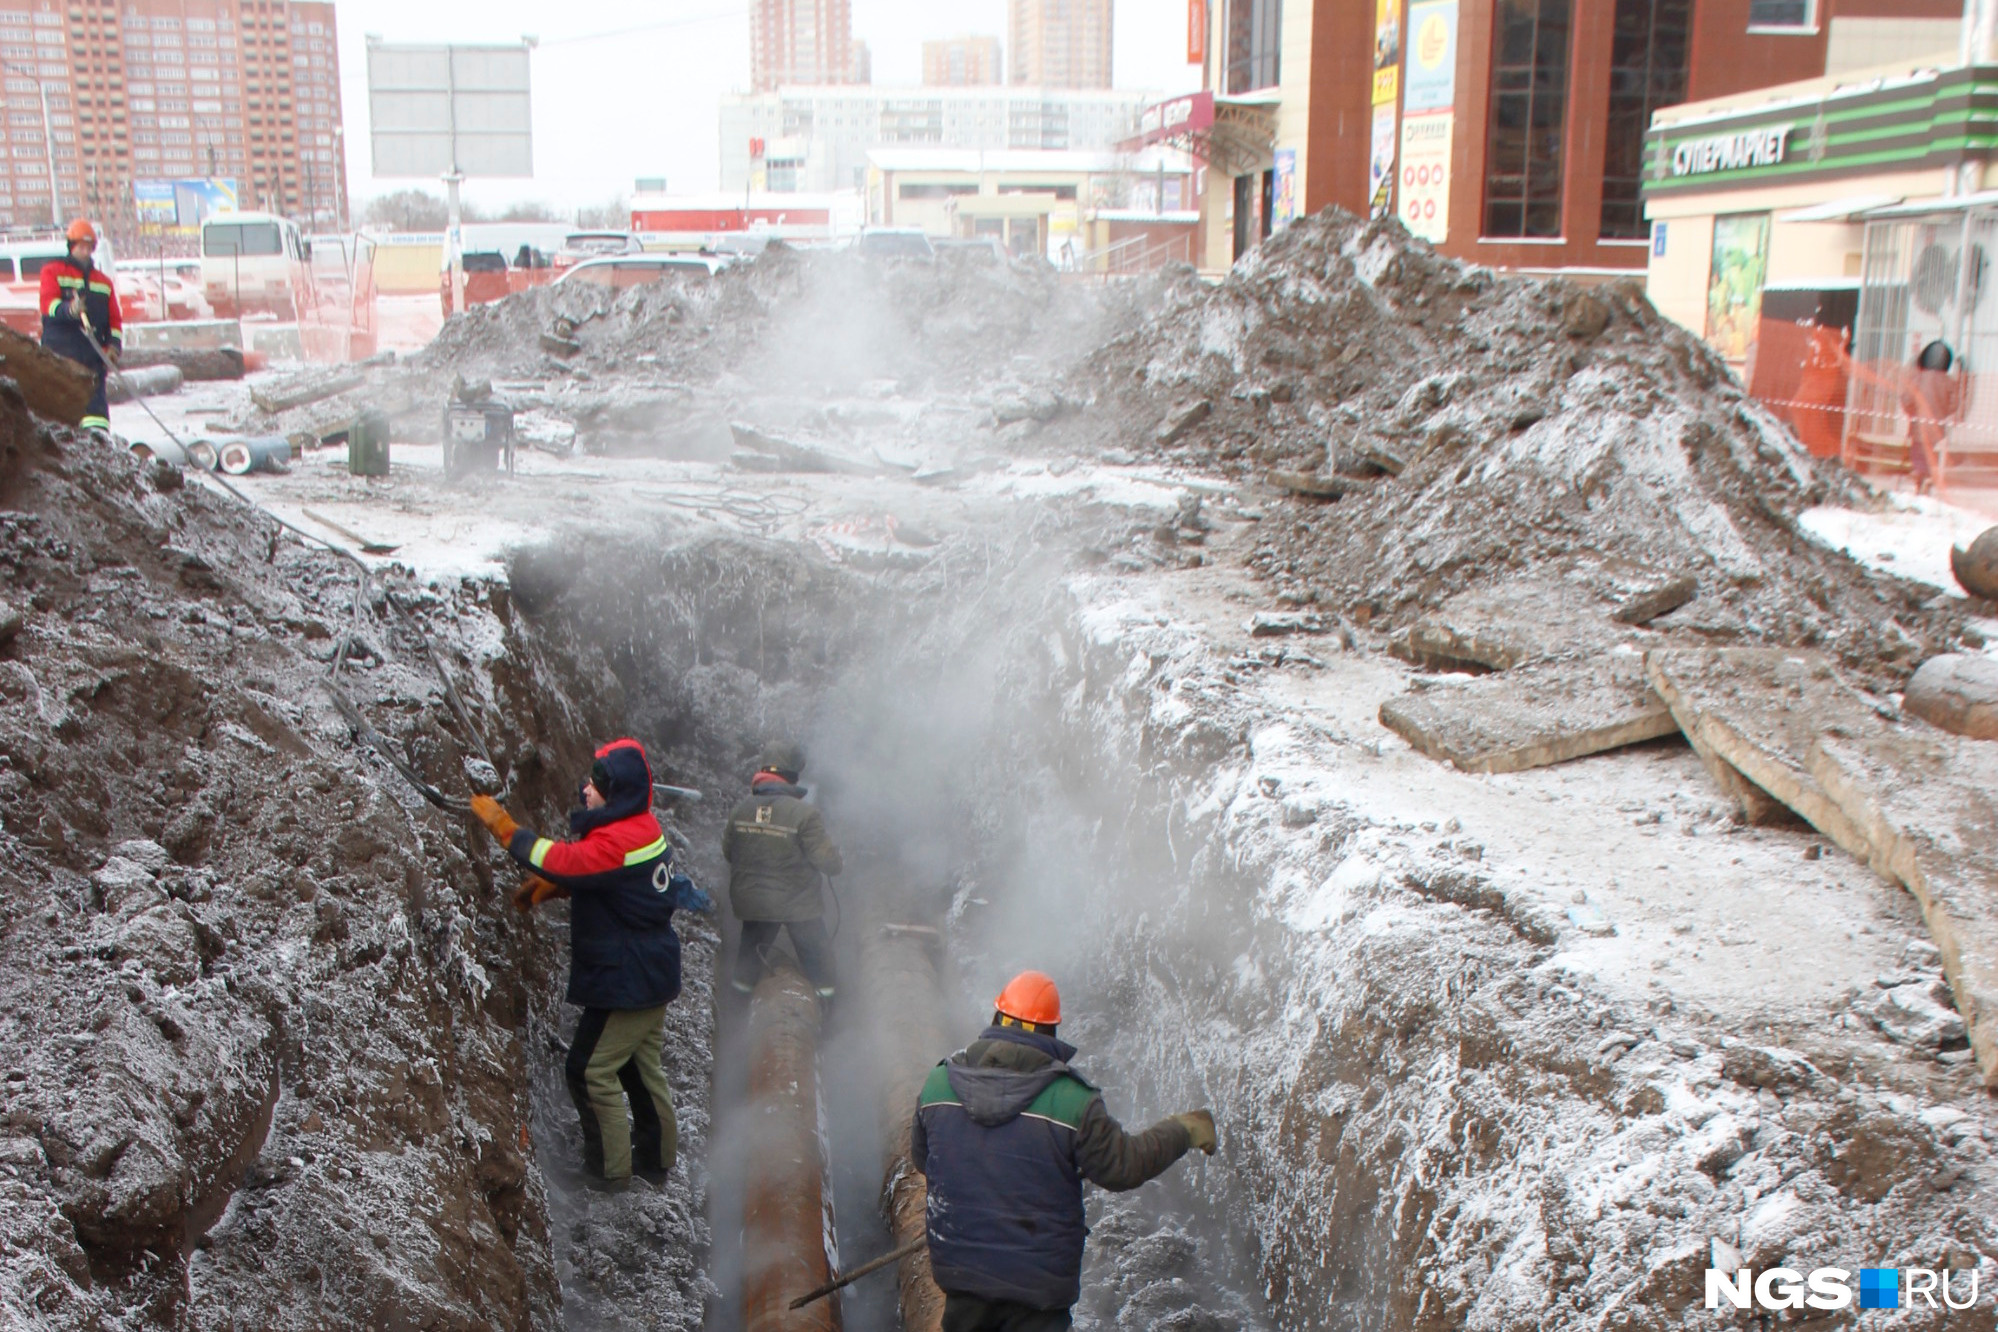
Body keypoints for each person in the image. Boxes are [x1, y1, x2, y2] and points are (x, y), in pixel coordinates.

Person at [910, 971, 1218, 1332]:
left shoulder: (937, 1085)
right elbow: (1124, 1166)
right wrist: (1183, 1129)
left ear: (997, 1021)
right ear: (1050, 1033)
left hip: (962, 1276)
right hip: (1037, 1290)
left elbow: (924, 1159)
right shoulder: (1074, 1102)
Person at [471, 738, 686, 1190]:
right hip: (651, 972)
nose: (585, 788)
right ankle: (654, 1160)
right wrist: (567, 889)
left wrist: (507, 829)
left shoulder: (617, 841)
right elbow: (623, 886)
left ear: (619, 791)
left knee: (589, 1070)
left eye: (597, 783)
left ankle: (608, 1175)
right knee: (640, 1068)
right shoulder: (643, 828)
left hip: (626, 979)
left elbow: (564, 860)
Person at [722, 741, 842, 1000]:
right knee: (820, 962)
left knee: (748, 960)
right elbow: (829, 863)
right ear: (792, 776)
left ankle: (738, 1005)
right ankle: (828, 1009)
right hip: (797, 905)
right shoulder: (805, 815)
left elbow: (728, 853)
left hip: (752, 902)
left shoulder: (740, 810)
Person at [39, 218, 122, 433]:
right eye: (81, 247)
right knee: (61, 410)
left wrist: (114, 347)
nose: (85, 252)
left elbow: (114, 319)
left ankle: (99, 445)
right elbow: (48, 305)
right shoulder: (53, 271)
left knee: (96, 415)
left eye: (88, 247)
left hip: (93, 356)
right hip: (61, 353)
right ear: (71, 246)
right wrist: (70, 310)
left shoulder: (103, 281)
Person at [1903, 339, 1962, 495]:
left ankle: (1920, 477)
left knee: (1917, 450)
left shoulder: (1918, 378)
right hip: (1937, 426)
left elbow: (1907, 398)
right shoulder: (1949, 381)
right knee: (1931, 451)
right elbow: (1954, 404)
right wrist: (1942, 412)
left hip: (1918, 424)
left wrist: (1911, 411)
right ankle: (1927, 476)